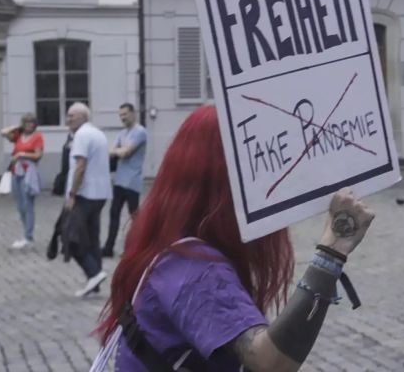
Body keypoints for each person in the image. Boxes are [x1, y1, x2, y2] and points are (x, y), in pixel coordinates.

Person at [93, 105, 375, 371]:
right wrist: (331, 253)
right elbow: (270, 361)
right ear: (230, 180)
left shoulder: (174, 250)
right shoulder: (194, 268)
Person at [65, 102, 112, 297]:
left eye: (72, 116)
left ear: (83, 116)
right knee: (92, 237)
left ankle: (93, 272)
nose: (68, 120)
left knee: (70, 236)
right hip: (100, 193)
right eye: (68, 116)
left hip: (85, 194)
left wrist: (72, 194)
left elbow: (80, 166)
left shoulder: (82, 135)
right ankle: (95, 281)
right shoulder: (97, 133)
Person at [103, 103, 148, 258]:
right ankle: (108, 248)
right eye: (120, 115)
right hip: (119, 181)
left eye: (125, 114)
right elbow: (111, 152)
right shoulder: (122, 133)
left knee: (134, 216)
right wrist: (117, 151)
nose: (122, 117)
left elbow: (126, 153)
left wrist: (117, 151)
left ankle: (137, 248)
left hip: (132, 182)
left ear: (133, 113)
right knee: (113, 213)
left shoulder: (140, 132)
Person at [1, 113, 44, 250]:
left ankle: (28, 237)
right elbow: (3, 133)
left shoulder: (37, 137)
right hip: (16, 171)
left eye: (32, 123)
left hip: (28, 172)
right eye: (27, 123)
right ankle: (25, 234)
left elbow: (38, 155)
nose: (29, 125)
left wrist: (22, 154)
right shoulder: (19, 136)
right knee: (20, 205)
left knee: (28, 205)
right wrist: (16, 127)